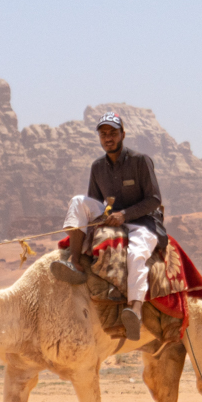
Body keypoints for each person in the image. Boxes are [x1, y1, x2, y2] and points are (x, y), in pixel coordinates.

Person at [51, 111, 164, 340]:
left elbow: (154, 200)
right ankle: (75, 263)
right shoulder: (97, 167)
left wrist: (124, 214)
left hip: (143, 223)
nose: (108, 138)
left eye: (113, 133)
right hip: (113, 219)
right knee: (77, 201)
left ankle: (135, 309)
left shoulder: (140, 161)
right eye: (103, 134)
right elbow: (93, 201)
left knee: (134, 256)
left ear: (122, 134)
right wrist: (97, 222)